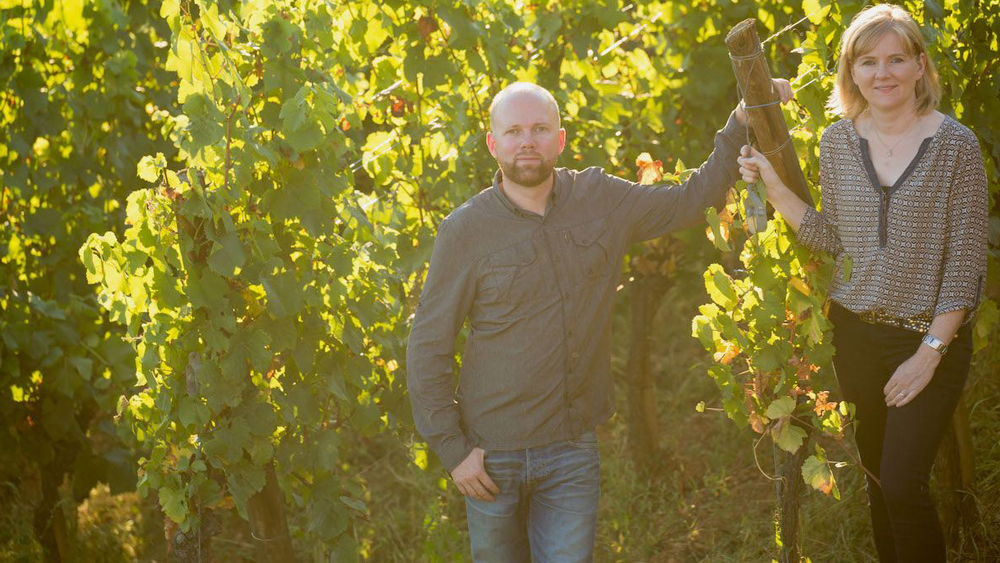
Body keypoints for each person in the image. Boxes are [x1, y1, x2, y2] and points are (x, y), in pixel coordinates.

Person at [406, 78, 792, 562]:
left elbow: (693, 200)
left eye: (540, 129)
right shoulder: (464, 231)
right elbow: (428, 347)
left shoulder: (600, 199)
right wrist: (453, 450)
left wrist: (739, 123)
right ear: (493, 143)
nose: (527, 141)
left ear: (561, 139)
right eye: (513, 131)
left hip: (571, 449)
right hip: (489, 455)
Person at [737, 5, 987, 562]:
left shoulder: (956, 147)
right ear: (851, 73)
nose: (883, 73)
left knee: (903, 483)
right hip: (856, 338)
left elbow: (965, 267)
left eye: (897, 59)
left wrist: (928, 354)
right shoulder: (838, 143)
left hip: (930, 339)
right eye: (868, 62)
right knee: (878, 478)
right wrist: (774, 186)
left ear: (920, 66)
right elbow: (835, 237)